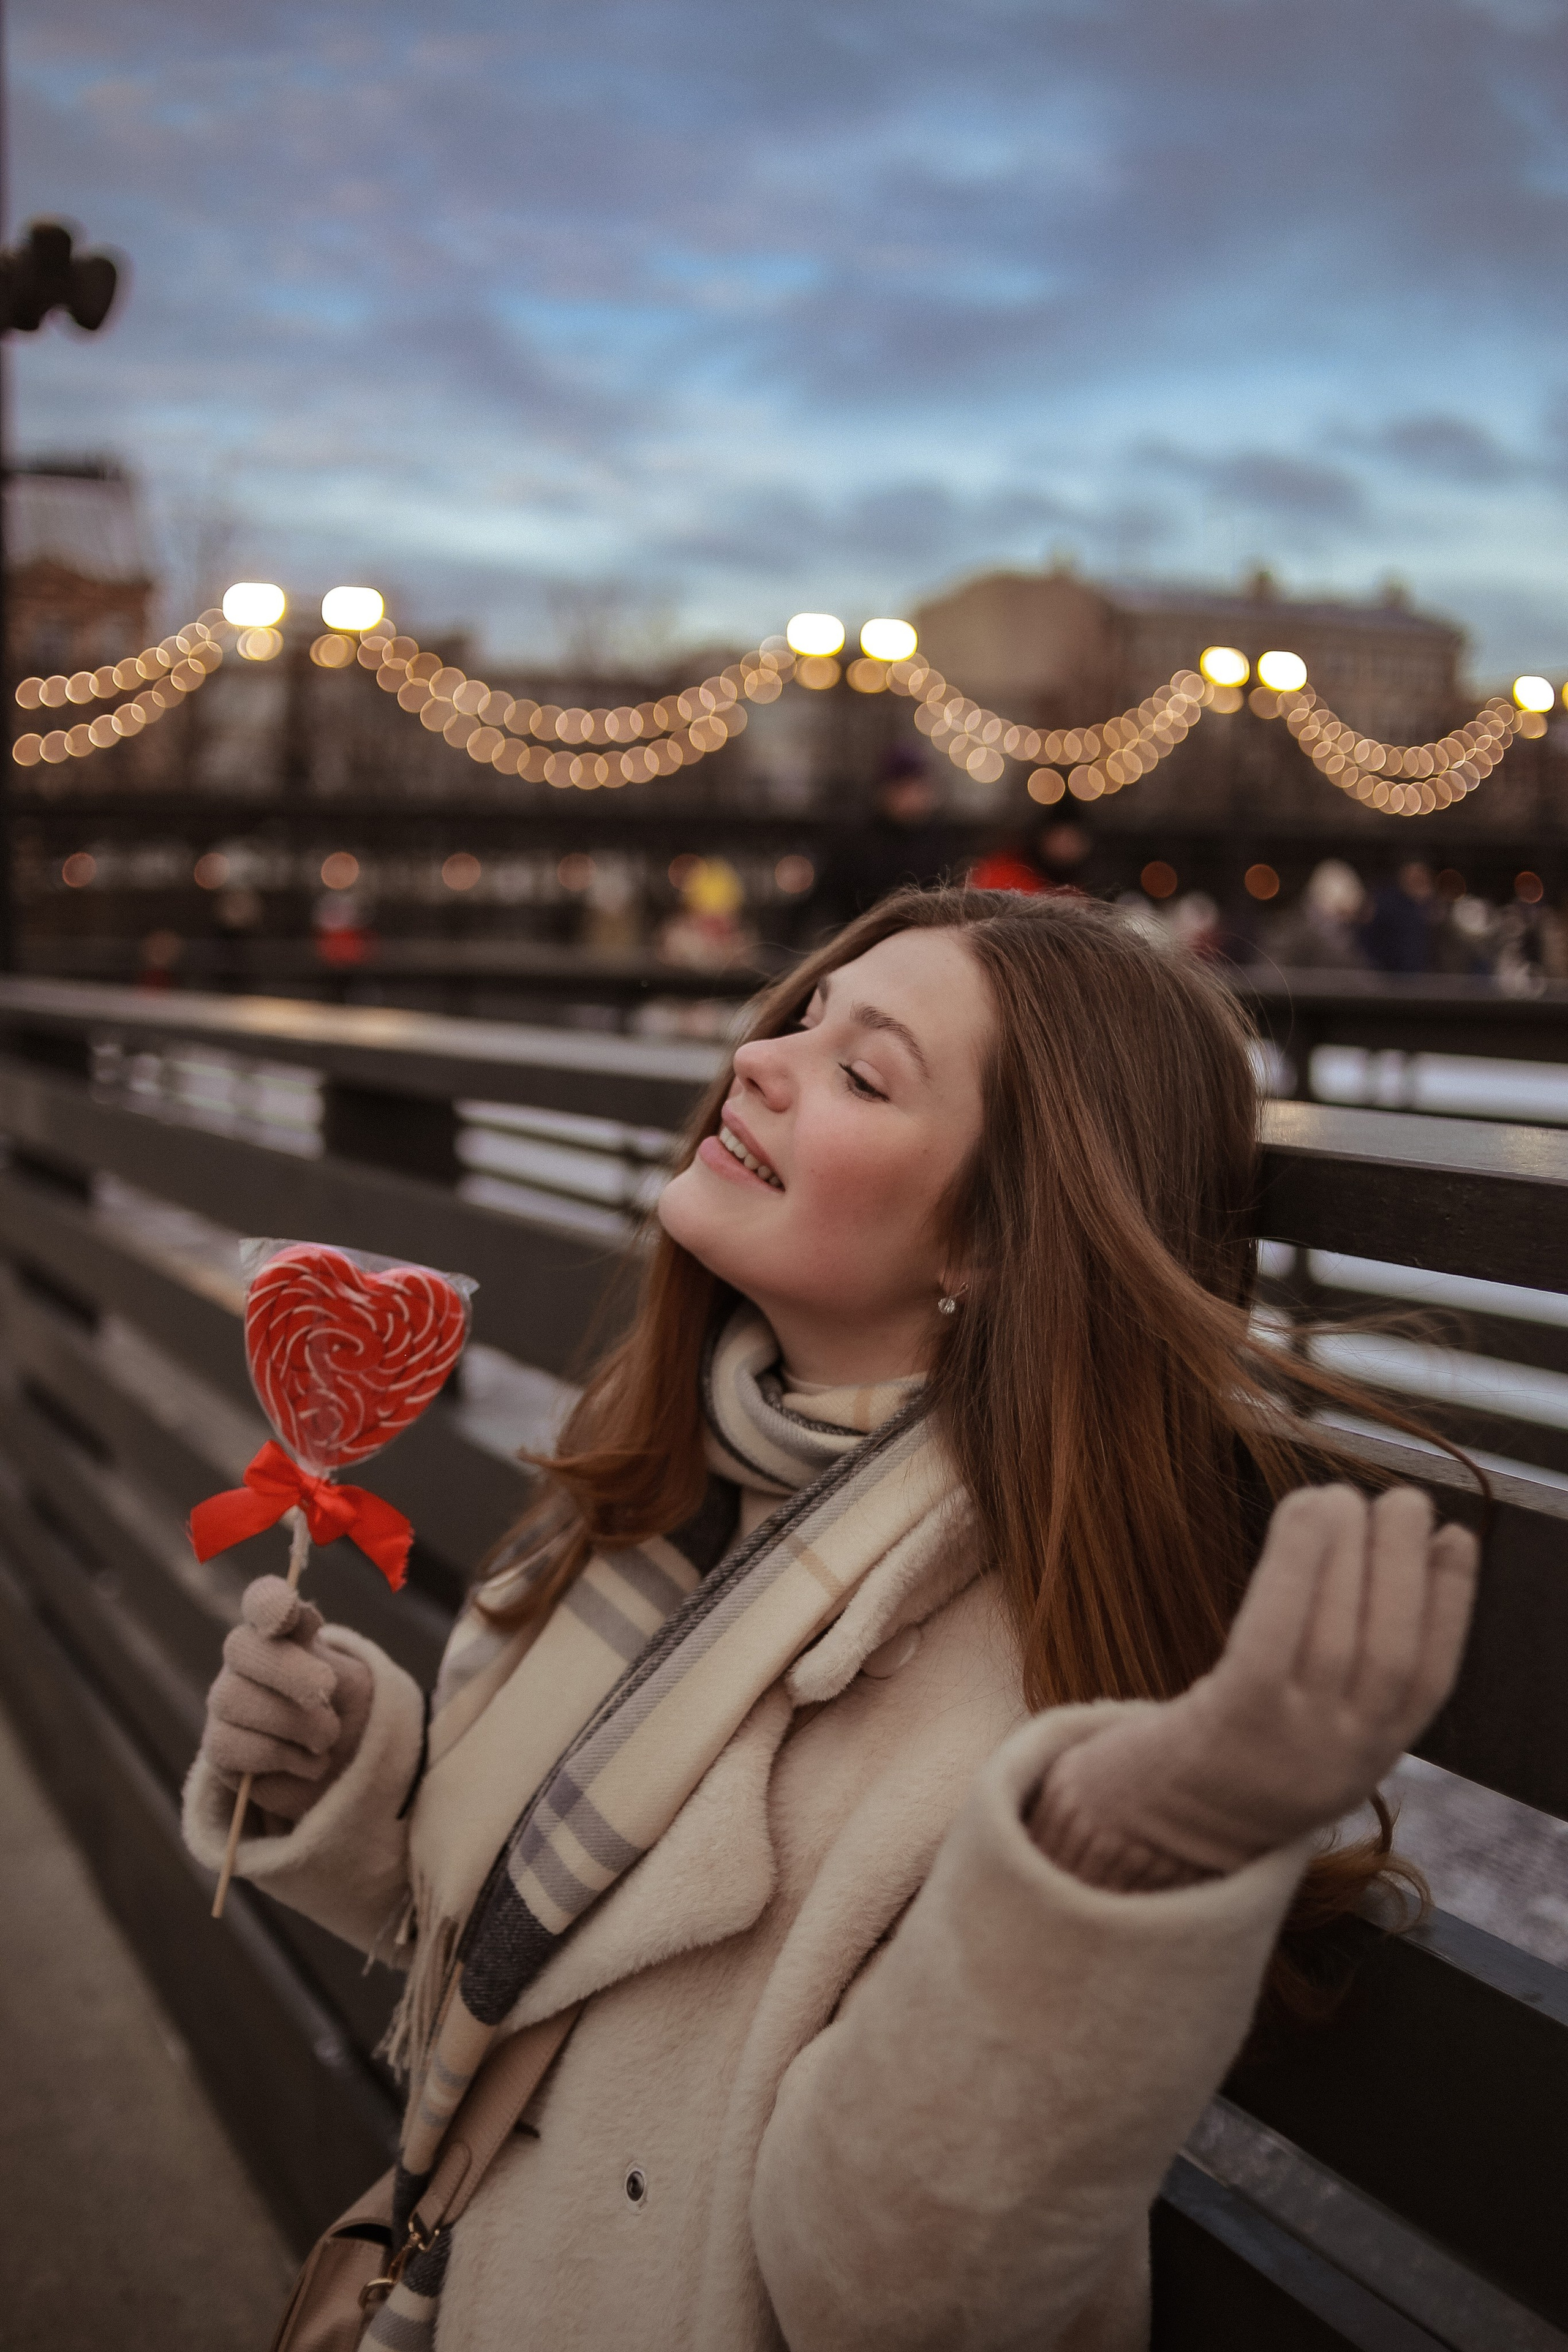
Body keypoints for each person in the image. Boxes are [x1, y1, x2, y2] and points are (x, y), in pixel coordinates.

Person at [186, 889, 1477, 2351]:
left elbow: (898, 2299)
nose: (758, 1056)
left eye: (862, 1070)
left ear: (992, 1241)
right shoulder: (664, 1498)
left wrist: (1116, 1862)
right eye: (801, 1013)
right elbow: (522, 1956)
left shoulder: (1005, 1712)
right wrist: (342, 1768)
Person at [1262, 859, 1371, 973]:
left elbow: (1362, 980)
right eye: (1342, 914)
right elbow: (1270, 977)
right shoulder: (1289, 934)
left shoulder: (1347, 941)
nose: (1346, 922)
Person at [1363, 859, 1438, 974]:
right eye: (1414, 876)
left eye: (1422, 876)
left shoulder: (1430, 905)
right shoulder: (1387, 903)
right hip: (1389, 976)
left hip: (1422, 977)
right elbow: (1369, 939)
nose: (1418, 881)